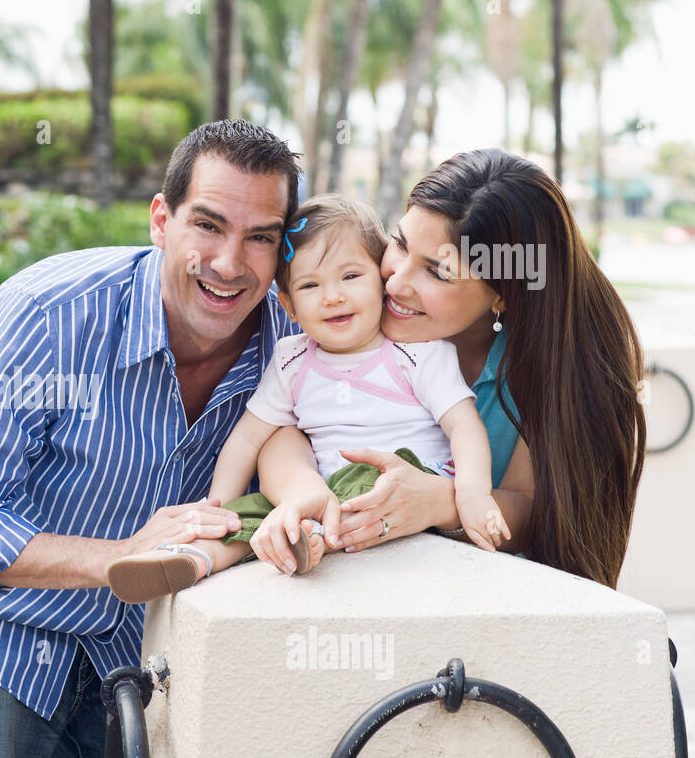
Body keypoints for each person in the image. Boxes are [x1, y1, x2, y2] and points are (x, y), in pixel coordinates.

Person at [0, 120, 303, 758]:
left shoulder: (290, 348)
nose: (231, 263)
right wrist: (119, 558)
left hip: (137, 645)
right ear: (161, 219)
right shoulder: (52, 314)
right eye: (207, 225)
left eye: (260, 236)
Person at [247, 148, 646, 590]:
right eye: (399, 243)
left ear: (503, 295)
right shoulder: (341, 314)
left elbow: (540, 512)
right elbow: (282, 427)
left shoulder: (560, 370)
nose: (396, 282)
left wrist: (442, 502)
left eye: (437, 272)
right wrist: (300, 485)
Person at [105, 195, 510, 603]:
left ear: (379, 282)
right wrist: (219, 507)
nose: (332, 296)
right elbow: (248, 439)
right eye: (311, 286)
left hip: (398, 479)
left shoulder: (418, 354)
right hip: (321, 491)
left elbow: (463, 424)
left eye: (350, 277)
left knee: (365, 482)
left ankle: (306, 535)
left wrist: (473, 493)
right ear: (289, 305)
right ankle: (191, 558)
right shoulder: (292, 360)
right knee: (253, 508)